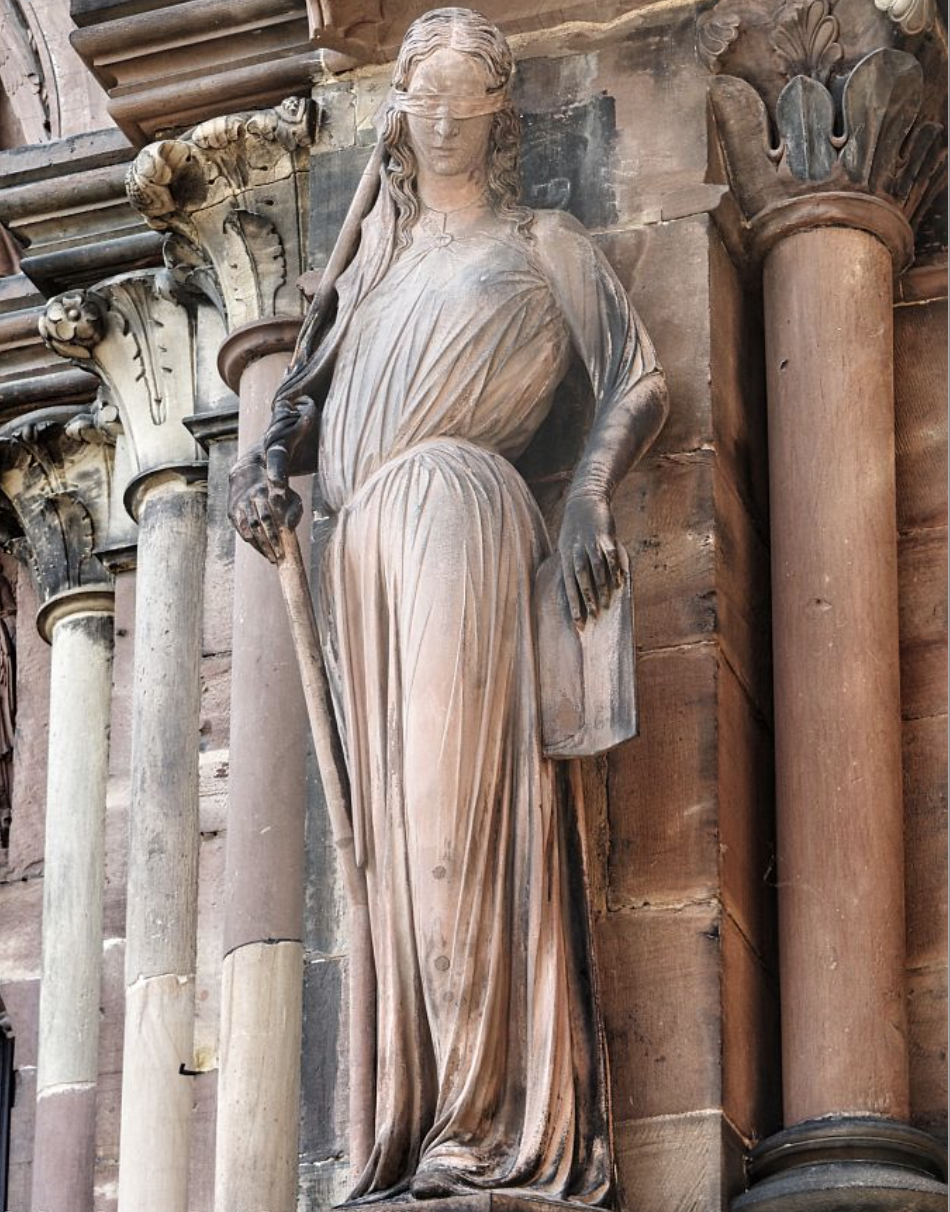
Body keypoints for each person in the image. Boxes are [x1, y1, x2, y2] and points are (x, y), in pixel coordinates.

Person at [229, 7, 668, 1205]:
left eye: (465, 86)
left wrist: (583, 496)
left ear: (495, 112)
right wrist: (265, 481)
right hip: (361, 549)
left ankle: (485, 1118)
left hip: (461, 517)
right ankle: (420, 1115)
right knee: (387, 852)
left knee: (446, 830)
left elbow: (635, 379)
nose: (436, 107)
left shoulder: (543, 240)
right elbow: (295, 415)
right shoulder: (366, 273)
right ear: (399, 106)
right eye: (419, 85)